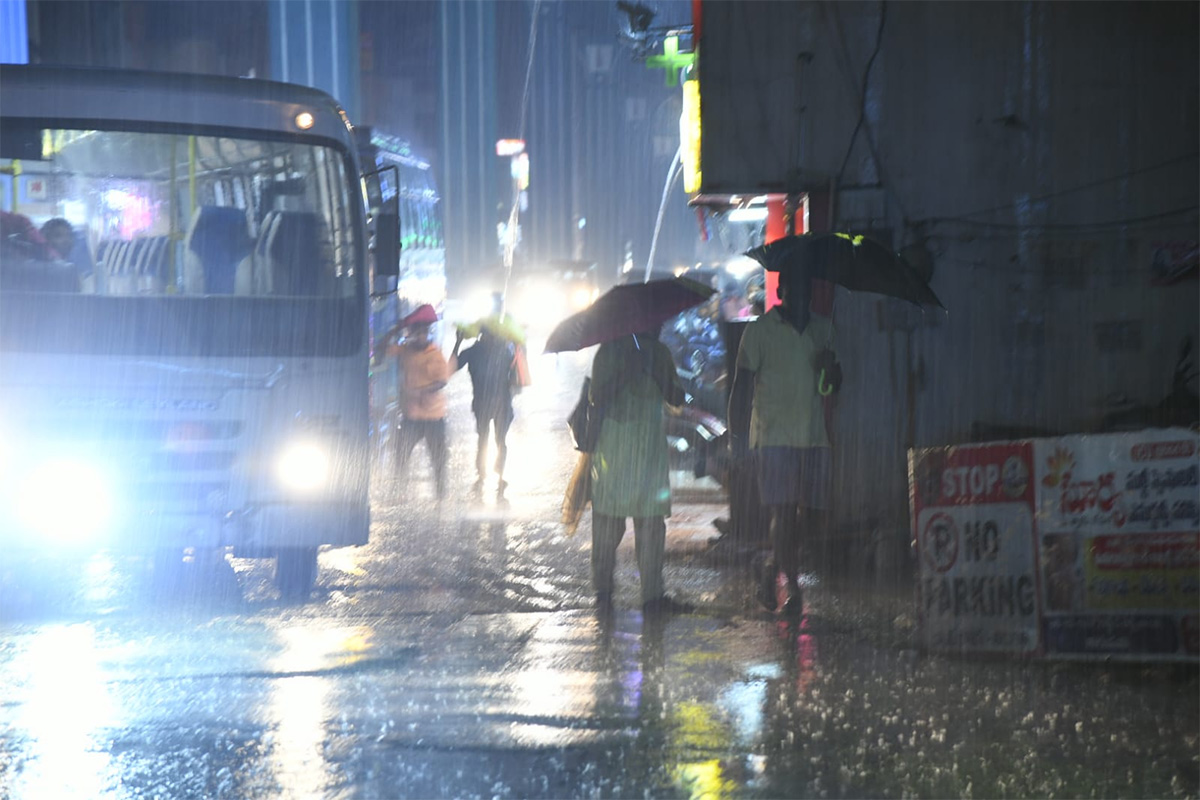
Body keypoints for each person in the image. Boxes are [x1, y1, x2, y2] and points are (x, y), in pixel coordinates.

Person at [728, 267, 842, 615]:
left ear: (809, 291)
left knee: (808, 519)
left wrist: (831, 369)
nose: (799, 294)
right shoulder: (760, 331)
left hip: (812, 436)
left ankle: (767, 567)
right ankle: (793, 588)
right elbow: (741, 387)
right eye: (793, 287)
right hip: (773, 434)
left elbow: (833, 387)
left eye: (805, 286)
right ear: (782, 291)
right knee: (784, 512)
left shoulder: (824, 329)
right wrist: (737, 440)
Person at [589, 327, 693, 616]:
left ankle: (652, 595)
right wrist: (627, 371)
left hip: (649, 453)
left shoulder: (660, 354)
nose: (659, 325)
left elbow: (677, 399)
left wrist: (655, 372)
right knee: (608, 528)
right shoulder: (608, 352)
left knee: (651, 528)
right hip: (614, 453)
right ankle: (603, 592)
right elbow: (596, 397)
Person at [383, 304, 455, 499]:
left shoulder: (435, 354)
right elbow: (380, 350)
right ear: (413, 334)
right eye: (418, 333)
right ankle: (398, 494)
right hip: (411, 416)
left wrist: (421, 391)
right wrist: (395, 330)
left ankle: (441, 498)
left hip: (433, 417)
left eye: (424, 333)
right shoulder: (405, 350)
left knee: (438, 460)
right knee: (400, 456)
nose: (421, 337)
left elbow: (441, 381)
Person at [452, 323, 518, 492]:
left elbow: (452, 367)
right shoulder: (504, 351)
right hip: (501, 403)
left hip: (483, 404)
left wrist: (458, 342)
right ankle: (498, 475)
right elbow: (515, 378)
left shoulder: (473, 352)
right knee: (499, 440)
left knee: (484, 439)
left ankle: (483, 475)